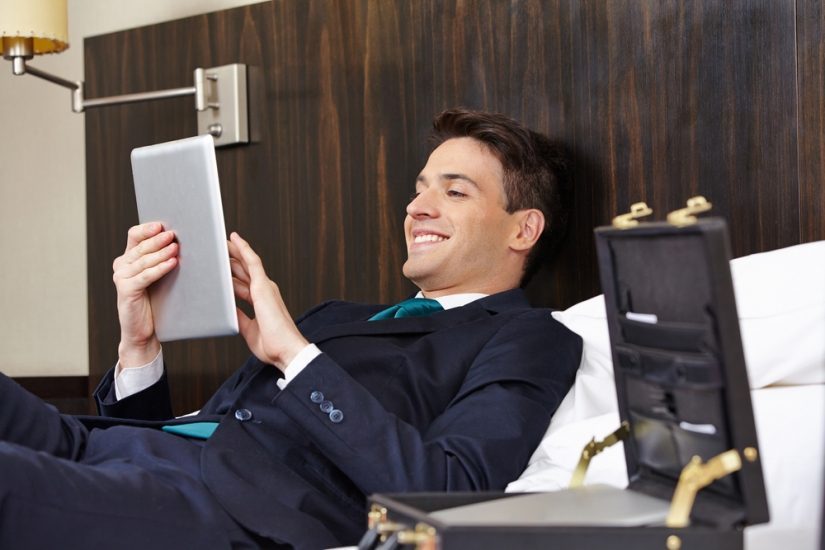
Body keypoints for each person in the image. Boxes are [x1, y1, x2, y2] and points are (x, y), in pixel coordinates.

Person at [0, 108, 582, 549]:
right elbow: (195, 432)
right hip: (114, 448)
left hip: (229, 510)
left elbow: (449, 489)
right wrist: (139, 344)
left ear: (523, 229)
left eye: (454, 191)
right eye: (419, 188)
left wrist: (296, 358)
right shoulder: (337, 317)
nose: (417, 207)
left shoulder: (531, 338)